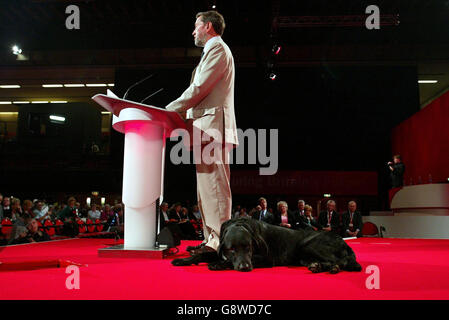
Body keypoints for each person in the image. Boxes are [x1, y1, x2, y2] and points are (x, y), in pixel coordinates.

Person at [165, 10, 238, 254]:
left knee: (215, 186)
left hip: (213, 127)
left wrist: (168, 110)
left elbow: (198, 88)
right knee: (207, 187)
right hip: (207, 127)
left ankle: (218, 241)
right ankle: (211, 239)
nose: (193, 31)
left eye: (196, 26)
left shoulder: (218, 49)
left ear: (208, 26)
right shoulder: (212, 52)